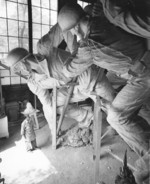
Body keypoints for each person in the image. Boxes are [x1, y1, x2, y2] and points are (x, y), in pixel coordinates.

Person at [57, 3, 150, 158]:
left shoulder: (89, 47)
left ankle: (147, 157)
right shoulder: (103, 18)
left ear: (75, 28)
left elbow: (69, 71)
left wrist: (73, 52)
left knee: (115, 116)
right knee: (122, 95)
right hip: (139, 64)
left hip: (142, 74)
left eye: (72, 30)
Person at [5, 47, 115, 140]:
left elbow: (81, 63)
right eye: (16, 71)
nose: (19, 73)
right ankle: (86, 117)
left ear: (24, 62)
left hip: (90, 78)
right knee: (53, 106)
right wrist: (54, 130)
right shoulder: (32, 82)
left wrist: (92, 92)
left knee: (116, 112)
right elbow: (47, 104)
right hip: (70, 88)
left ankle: (121, 128)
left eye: (18, 69)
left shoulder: (53, 55)